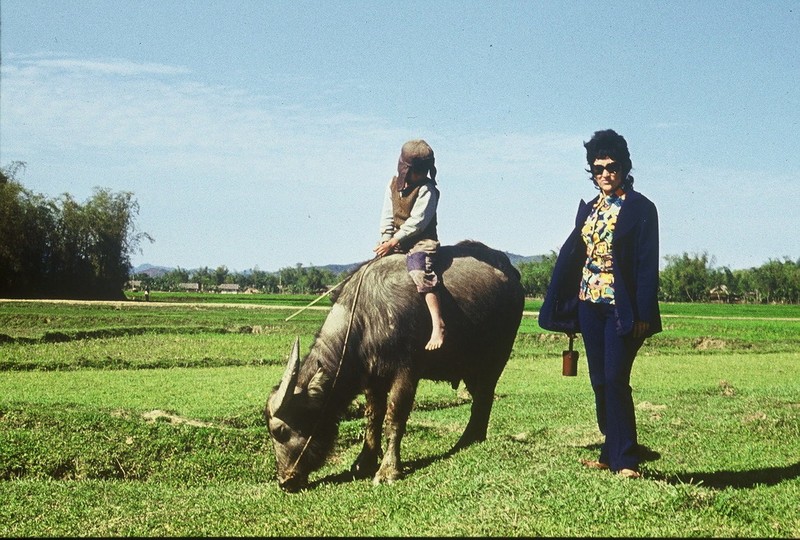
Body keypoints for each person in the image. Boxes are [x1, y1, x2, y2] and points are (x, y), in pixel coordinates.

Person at [538, 129, 662, 479]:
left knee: (615, 377)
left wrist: (641, 314)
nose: (605, 174)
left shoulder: (641, 209)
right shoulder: (592, 208)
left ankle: (626, 460)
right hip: (588, 303)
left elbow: (646, 264)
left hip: (621, 307)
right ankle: (610, 451)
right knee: (599, 380)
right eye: (598, 169)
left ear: (624, 166)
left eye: (611, 167)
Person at [374, 139, 445, 351]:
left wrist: (395, 240)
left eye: (425, 172)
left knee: (418, 270)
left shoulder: (427, 190)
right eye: (417, 172)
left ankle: (437, 324)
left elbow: (418, 222)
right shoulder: (392, 185)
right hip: (396, 240)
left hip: (421, 241)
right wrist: (386, 240)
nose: (421, 176)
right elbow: (387, 216)